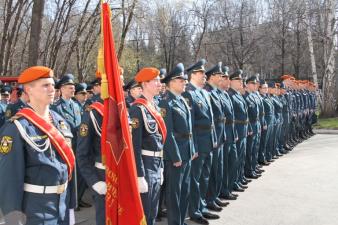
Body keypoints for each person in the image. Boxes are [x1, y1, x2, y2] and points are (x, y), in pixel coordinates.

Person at [0, 66, 75, 225]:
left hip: (62, 206)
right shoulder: (16, 128)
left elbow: (69, 166)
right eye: (45, 85)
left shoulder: (60, 122)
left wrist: (71, 206)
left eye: (52, 85)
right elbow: (9, 181)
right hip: (35, 210)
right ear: (29, 90)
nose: (51, 89)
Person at [159, 63, 196, 225]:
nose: (185, 82)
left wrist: (192, 149)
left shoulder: (181, 99)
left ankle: (181, 221)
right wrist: (175, 156)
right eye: (181, 80)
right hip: (176, 155)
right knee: (174, 193)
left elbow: (189, 128)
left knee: (185, 191)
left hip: (187, 151)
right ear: (171, 82)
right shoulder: (166, 103)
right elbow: (167, 133)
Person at [183, 59, 219, 225]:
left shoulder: (204, 92)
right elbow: (189, 124)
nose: (204, 76)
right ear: (192, 75)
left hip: (208, 140)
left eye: (204, 73)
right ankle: (195, 211)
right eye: (201, 73)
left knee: (204, 177)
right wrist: (194, 146)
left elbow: (211, 119)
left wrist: (214, 139)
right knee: (195, 179)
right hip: (198, 141)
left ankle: (202, 206)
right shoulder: (188, 93)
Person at [129, 67, 167, 225]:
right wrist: (139, 176)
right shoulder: (137, 110)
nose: (160, 84)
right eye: (156, 81)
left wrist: (162, 166)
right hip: (145, 166)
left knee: (153, 211)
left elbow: (160, 142)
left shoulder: (155, 107)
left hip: (157, 165)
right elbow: (134, 146)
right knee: (144, 214)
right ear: (144, 84)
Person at [77, 89, 105, 225]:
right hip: (102, 175)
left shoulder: (122, 110)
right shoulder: (93, 113)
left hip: (123, 175)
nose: (121, 85)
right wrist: (94, 181)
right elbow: (82, 153)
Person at [204, 62, 228, 212]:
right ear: (212, 77)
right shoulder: (208, 92)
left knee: (217, 169)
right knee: (211, 171)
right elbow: (210, 119)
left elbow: (222, 117)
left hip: (219, 135)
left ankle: (214, 196)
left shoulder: (217, 92)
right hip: (212, 137)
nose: (221, 78)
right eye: (219, 75)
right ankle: (209, 199)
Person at [228, 69, 251, 192]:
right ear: (232, 81)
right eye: (238, 80)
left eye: (241, 80)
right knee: (235, 159)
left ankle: (239, 178)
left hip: (243, 128)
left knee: (241, 156)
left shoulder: (237, 94)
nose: (241, 82)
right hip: (236, 129)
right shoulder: (231, 95)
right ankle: (234, 182)